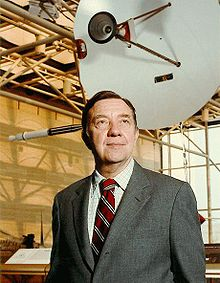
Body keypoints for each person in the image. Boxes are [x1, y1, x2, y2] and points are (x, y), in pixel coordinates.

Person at [45, 90, 206, 283]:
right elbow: (58, 276)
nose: (115, 130)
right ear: (87, 135)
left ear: (136, 133)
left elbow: (192, 279)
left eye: (124, 121)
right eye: (102, 122)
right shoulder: (65, 201)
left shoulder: (173, 195)